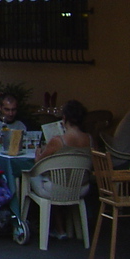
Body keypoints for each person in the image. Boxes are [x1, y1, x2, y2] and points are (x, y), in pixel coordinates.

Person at [33, 100, 93, 238]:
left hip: (57, 188)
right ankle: (66, 228)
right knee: (59, 178)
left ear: (64, 118)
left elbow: (38, 162)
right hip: (81, 187)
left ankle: (34, 222)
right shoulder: (89, 139)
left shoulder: (58, 140)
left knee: (32, 176)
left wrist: (38, 152)